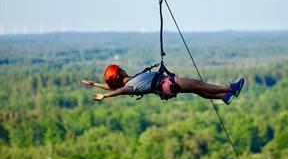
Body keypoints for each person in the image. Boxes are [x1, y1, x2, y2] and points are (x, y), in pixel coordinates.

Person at [82, 64, 244, 105]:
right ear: (120, 73)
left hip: (167, 87)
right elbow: (119, 91)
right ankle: (231, 88)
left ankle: (224, 96)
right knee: (200, 85)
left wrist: (95, 84)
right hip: (169, 83)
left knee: (197, 91)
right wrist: (105, 96)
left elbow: (115, 88)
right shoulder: (130, 87)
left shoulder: (130, 82)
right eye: (120, 69)